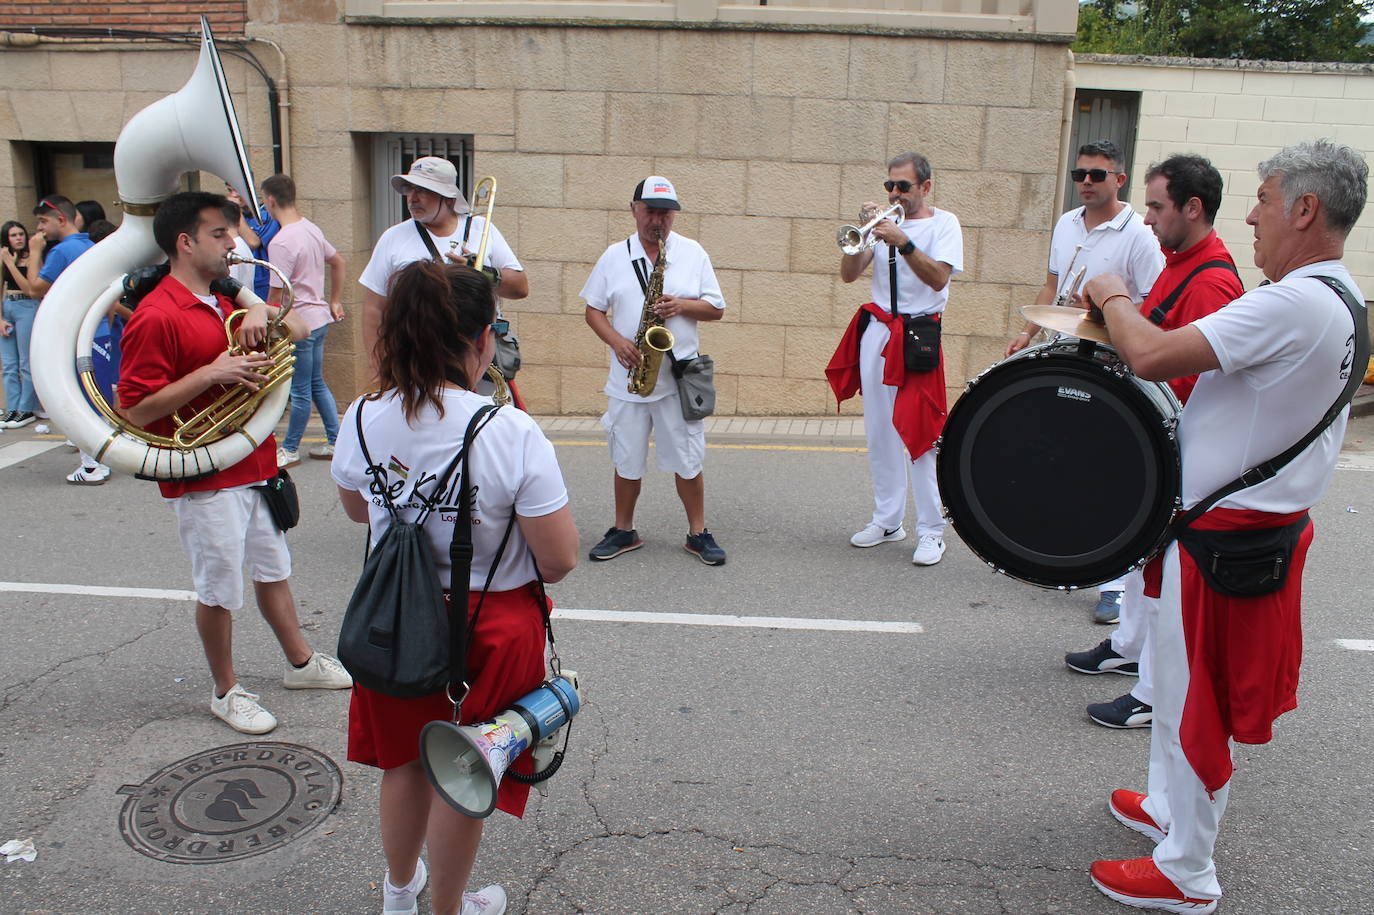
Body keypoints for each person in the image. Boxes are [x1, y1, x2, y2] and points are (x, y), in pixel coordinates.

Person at [1080, 140, 1367, 913]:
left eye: (1266, 198)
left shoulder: (1294, 300)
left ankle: (1188, 872)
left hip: (1224, 541)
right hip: (1230, 534)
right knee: (1174, 690)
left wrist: (1109, 291)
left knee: (1195, 698)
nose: (1251, 214)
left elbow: (1149, 354)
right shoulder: (1342, 297)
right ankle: (1171, 812)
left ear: (1305, 209)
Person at [333, 260, 578, 915]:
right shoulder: (508, 430)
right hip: (489, 629)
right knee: (464, 771)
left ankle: (398, 894)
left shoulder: (361, 415)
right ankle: (447, 907)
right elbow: (557, 559)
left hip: (394, 618)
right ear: (480, 341)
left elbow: (360, 511)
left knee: (404, 763)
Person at [117, 191, 352, 734]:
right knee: (219, 587)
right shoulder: (155, 315)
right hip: (204, 471)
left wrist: (254, 308)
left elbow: (298, 332)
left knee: (274, 570)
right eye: (221, 234)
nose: (235, 243)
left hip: (252, 460)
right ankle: (225, 690)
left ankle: (299, 662)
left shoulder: (227, 299)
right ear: (185, 242)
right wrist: (210, 374)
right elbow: (133, 407)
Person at [1063, 154, 1243, 731]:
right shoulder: (1175, 260)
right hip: (1158, 434)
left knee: (1163, 569)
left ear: (1193, 208)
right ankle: (1129, 645)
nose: (1149, 216)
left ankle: (1151, 692)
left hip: (1177, 444)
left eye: (1159, 206)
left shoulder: (1212, 279)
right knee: (1143, 558)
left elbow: (1190, 378)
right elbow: (1154, 326)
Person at [1007, 139, 1165, 620]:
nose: (1087, 183)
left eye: (1098, 175)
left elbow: (1156, 302)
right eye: (1080, 174)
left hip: (1111, 360)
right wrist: (1027, 332)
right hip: (1068, 349)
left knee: (1110, 467)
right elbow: (1052, 285)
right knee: (1064, 456)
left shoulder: (1139, 233)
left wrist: (1105, 311)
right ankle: (1072, 550)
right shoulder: (1066, 223)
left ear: (1119, 178)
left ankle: (1116, 582)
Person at [826, 151, 964, 566]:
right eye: (890, 185)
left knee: (921, 433)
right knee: (880, 432)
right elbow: (849, 274)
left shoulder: (945, 223)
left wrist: (903, 242)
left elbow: (939, 276)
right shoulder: (883, 225)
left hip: (918, 334)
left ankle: (931, 531)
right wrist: (865, 233)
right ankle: (887, 520)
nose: (895, 193)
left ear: (925, 187)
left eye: (903, 186)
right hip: (879, 331)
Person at [581, 176, 727, 565]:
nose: (657, 221)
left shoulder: (693, 253)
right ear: (634, 209)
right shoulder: (614, 256)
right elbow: (592, 311)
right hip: (629, 376)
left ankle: (698, 532)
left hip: (679, 378)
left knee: (688, 458)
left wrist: (681, 305)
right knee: (626, 457)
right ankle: (624, 529)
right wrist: (617, 342)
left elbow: (716, 308)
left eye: (665, 213)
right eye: (650, 211)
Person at [359, 157, 528, 385]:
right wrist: (377, 365)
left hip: (477, 358)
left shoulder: (481, 229)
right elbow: (373, 308)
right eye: (410, 189)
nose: (413, 197)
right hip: (415, 358)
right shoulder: (393, 237)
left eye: (423, 190)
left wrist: (480, 272)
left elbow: (520, 287)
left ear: (448, 197)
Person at [258, 173, 347, 468]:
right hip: (319, 319)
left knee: (299, 391)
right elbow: (338, 261)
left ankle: (291, 448)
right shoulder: (310, 228)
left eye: (264, 203)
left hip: (297, 324)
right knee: (316, 383)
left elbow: (275, 291)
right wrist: (333, 300)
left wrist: (264, 319)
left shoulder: (281, 241)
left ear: (271, 201)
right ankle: (335, 440)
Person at [26, 195, 110, 482]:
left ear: (61, 219)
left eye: (43, 221)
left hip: (76, 335)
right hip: (98, 332)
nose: (40, 228)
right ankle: (100, 458)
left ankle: (93, 465)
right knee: (96, 398)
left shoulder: (62, 251)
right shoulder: (90, 246)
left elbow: (35, 289)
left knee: (81, 401)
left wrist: (34, 251)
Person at [0, 221, 39, 429]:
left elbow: (28, 287)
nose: (18, 238)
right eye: (13, 235)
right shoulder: (3, 257)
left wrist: (10, 264)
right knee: (8, 364)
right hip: (8, 307)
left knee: (26, 362)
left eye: (21, 234)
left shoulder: (32, 257)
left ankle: (27, 408)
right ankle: (12, 408)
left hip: (26, 305)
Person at [226, 184, 280, 301]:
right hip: (242, 279)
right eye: (230, 191)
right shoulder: (240, 215)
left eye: (237, 190)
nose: (233, 195)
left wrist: (234, 211)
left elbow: (253, 242)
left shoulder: (266, 215)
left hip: (263, 283)